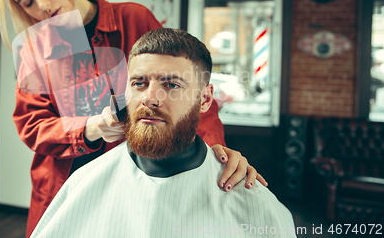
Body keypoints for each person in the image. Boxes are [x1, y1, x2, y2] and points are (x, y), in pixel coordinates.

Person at [0, 0, 267, 237]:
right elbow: (32, 124)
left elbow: (187, 87)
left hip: (133, 183)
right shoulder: (36, 48)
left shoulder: (133, 19)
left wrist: (217, 151)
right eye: (27, 1)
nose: (43, 5)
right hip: (63, 184)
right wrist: (90, 128)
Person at [29, 28, 296, 238]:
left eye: (171, 84)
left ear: (204, 99)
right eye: (139, 83)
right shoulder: (84, 183)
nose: (150, 98)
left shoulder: (249, 199)